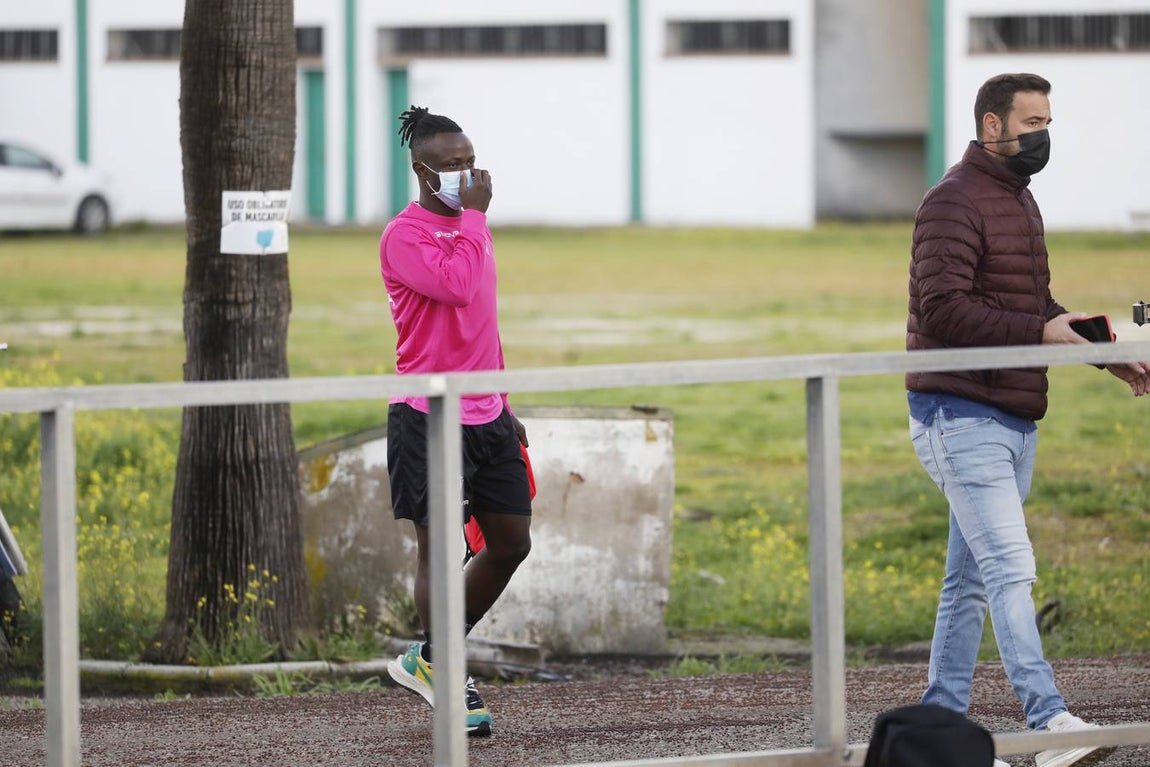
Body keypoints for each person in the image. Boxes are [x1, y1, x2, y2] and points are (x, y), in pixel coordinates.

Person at [905, 72, 1150, 767]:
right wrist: (1041, 335)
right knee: (1012, 569)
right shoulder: (950, 203)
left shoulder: (1018, 200)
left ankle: (934, 730)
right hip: (958, 413)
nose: (1043, 136)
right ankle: (1049, 727)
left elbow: (1036, 305)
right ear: (992, 126)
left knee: (972, 581)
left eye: (1048, 123)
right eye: (1032, 122)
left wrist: (1106, 355)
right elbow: (944, 309)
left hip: (1011, 415)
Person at [381, 106, 533, 737]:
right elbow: (460, 288)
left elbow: (482, 324)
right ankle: (448, 674)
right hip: (428, 414)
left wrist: (507, 404)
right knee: (439, 551)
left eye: (471, 162)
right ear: (421, 171)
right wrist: (475, 216)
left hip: (487, 409)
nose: (467, 175)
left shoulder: (474, 228)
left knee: (511, 543)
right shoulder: (404, 236)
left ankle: (433, 658)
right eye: (451, 166)